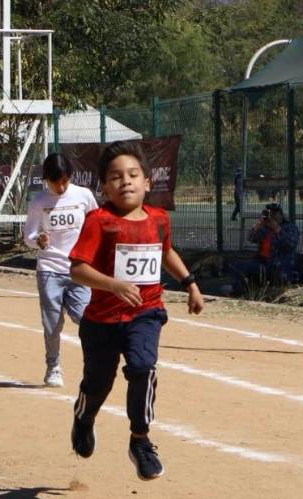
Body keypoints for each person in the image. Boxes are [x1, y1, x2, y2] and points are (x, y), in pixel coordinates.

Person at [68, 141, 204, 481]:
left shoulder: (159, 219)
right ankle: (84, 418)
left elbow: (165, 252)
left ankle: (140, 440)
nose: (125, 181)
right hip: (102, 321)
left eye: (132, 174)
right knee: (98, 383)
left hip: (146, 313)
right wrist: (113, 285)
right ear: (104, 187)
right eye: (115, 177)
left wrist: (190, 283)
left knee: (143, 367)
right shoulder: (99, 221)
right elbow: (78, 270)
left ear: (147, 182)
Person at [23, 153, 98, 387]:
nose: (61, 187)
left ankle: (94, 364)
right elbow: (28, 236)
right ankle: (53, 367)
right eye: (56, 182)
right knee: (53, 324)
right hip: (49, 269)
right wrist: (38, 240)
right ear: (46, 179)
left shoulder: (84, 196)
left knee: (85, 317)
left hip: (79, 269)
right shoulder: (39, 202)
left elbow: (96, 224)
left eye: (65, 180)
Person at [227, 202, 299, 294]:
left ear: (281, 215)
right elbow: (251, 238)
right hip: (261, 261)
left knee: (250, 269)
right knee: (234, 266)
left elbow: (290, 244)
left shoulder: (290, 228)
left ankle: (237, 289)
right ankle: (243, 287)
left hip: (277, 265)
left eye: (274, 213)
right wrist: (257, 226)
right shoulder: (266, 228)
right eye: (269, 214)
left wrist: (277, 229)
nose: (271, 216)